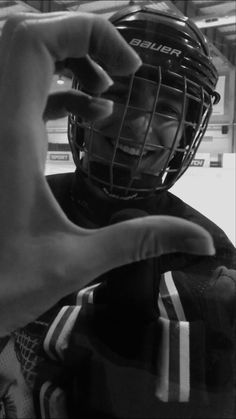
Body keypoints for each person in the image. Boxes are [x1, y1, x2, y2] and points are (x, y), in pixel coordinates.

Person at [0, 3, 235, 419]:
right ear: (82, 105)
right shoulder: (12, 212)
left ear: (188, 129)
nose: (139, 124)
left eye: (166, 109)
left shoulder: (210, 259)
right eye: (122, 94)